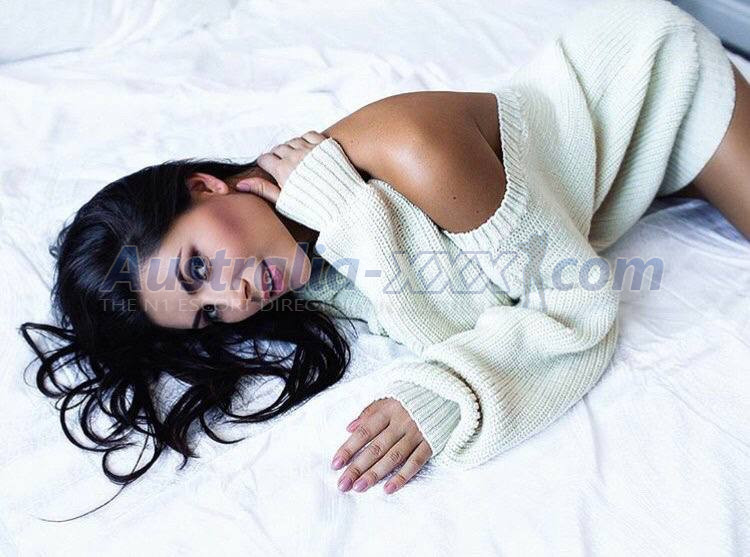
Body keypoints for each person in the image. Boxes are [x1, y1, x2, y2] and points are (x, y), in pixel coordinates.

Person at [21, 0, 750, 508]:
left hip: (652, 83)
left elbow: (566, 303)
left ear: (206, 187)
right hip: (616, 175)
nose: (234, 297)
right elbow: (450, 305)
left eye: (198, 267)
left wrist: (446, 392)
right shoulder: (300, 253)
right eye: (207, 313)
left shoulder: (406, 151)